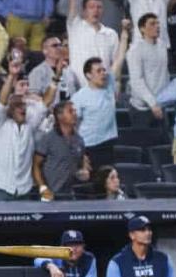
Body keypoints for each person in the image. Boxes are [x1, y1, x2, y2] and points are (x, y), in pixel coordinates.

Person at [0, 59, 50, 201]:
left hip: (24, 189)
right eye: (18, 106)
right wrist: (11, 75)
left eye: (24, 106)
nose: (23, 108)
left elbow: (46, 103)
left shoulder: (30, 124)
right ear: (11, 110)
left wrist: (57, 77)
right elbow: (1, 103)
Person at [70, 21, 129, 169]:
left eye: (104, 70)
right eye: (98, 71)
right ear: (88, 75)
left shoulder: (109, 84)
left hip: (108, 144)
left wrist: (124, 34)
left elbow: (120, 58)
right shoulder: (79, 97)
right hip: (88, 147)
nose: (103, 73)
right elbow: (71, 126)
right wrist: (79, 152)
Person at [66, 0, 120, 88]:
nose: (96, 10)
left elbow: (116, 64)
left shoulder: (111, 34)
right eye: (91, 7)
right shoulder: (76, 26)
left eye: (99, 7)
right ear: (83, 11)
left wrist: (116, 86)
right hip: (80, 90)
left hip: (104, 91)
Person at [33, 101, 90, 201]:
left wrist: (84, 171)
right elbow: (36, 165)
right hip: (50, 194)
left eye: (75, 111)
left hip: (69, 194)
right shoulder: (48, 139)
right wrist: (42, 187)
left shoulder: (79, 140)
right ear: (59, 116)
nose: (75, 114)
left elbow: (81, 162)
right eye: (70, 111)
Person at [126, 13, 169, 129]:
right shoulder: (135, 50)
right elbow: (137, 81)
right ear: (142, 29)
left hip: (160, 104)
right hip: (142, 109)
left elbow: (164, 74)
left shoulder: (162, 46)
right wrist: (152, 103)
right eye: (152, 24)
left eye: (158, 23)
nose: (157, 26)